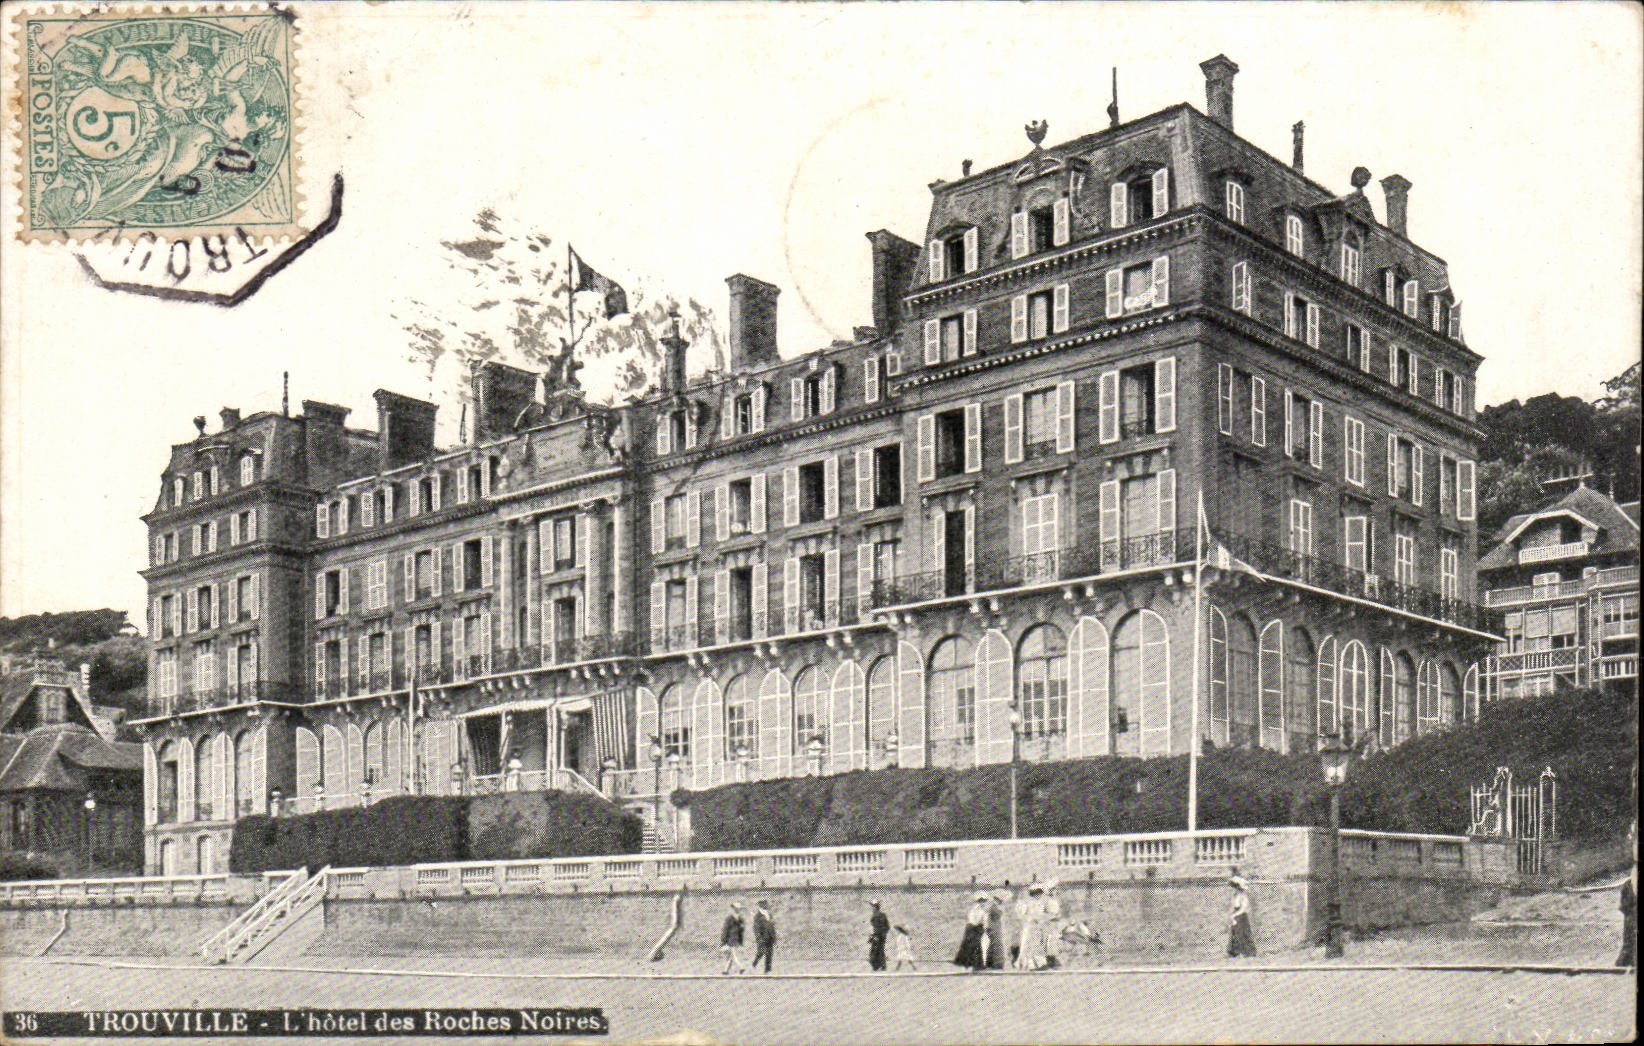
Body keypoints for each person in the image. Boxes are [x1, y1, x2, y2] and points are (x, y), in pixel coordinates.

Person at [1014, 883, 1049, 970]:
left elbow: (1041, 915)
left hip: (1037, 927)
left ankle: (1039, 964)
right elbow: (1021, 915)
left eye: (1040, 893)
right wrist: (1030, 919)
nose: (1039, 895)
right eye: (1036, 893)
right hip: (1029, 926)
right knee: (1028, 945)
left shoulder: (1040, 903)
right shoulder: (1027, 903)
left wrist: (1040, 920)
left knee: (1037, 945)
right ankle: (1029, 964)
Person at [953, 893, 989, 971]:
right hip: (975, 928)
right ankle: (974, 964)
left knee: (970, 946)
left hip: (972, 928)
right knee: (974, 946)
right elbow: (977, 920)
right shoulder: (980, 910)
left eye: (984, 901)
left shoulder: (975, 909)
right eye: (983, 901)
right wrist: (982, 926)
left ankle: (971, 964)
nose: (984, 903)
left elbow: (973, 919)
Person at [1227, 874, 1257, 958]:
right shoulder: (1235, 895)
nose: (1235, 888)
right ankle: (1236, 952)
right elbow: (1233, 906)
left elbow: (1243, 908)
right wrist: (1232, 916)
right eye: (1234, 886)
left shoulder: (1243, 896)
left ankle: (1247, 952)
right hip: (1236, 914)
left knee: (1243, 933)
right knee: (1235, 933)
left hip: (1241, 916)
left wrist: (1235, 915)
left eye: (1236, 886)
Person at [718, 902, 746, 975]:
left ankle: (731, 969)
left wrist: (741, 941)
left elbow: (741, 932)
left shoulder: (740, 919)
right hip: (730, 939)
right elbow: (725, 930)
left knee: (732, 956)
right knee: (732, 955)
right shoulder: (729, 918)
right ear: (733, 909)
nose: (737, 910)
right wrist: (723, 942)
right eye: (736, 909)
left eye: (738, 909)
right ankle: (734, 969)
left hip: (735, 940)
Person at [751, 899, 777, 974]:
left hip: (770, 937)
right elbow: (756, 928)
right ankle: (754, 963)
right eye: (765, 904)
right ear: (761, 905)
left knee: (770, 953)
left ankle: (767, 969)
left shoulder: (769, 914)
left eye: (766, 903)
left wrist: (774, 937)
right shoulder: (757, 916)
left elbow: (772, 926)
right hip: (762, 937)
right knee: (761, 952)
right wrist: (759, 938)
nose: (767, 905)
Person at [867, 900, 890, 972]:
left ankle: (876, 966)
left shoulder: (875, 916)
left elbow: (876, 927)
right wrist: (884, 934)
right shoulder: (883, 915)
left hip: (877, 935)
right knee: (880, 950)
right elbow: (887, 926)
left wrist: (875, 936)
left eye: (873, 907)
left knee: (874, 951)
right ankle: (882, 966)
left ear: (875, 907)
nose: (872, 908)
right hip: (882, 935)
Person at [985, 893, 1007, 969]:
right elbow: (996, 915)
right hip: (993, 928)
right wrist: (1001, 911)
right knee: (996, 944)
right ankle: (997, 963)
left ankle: (991, 963)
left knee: (993, 944)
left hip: (994, 927)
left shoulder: (993, 906)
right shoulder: (993, 907)